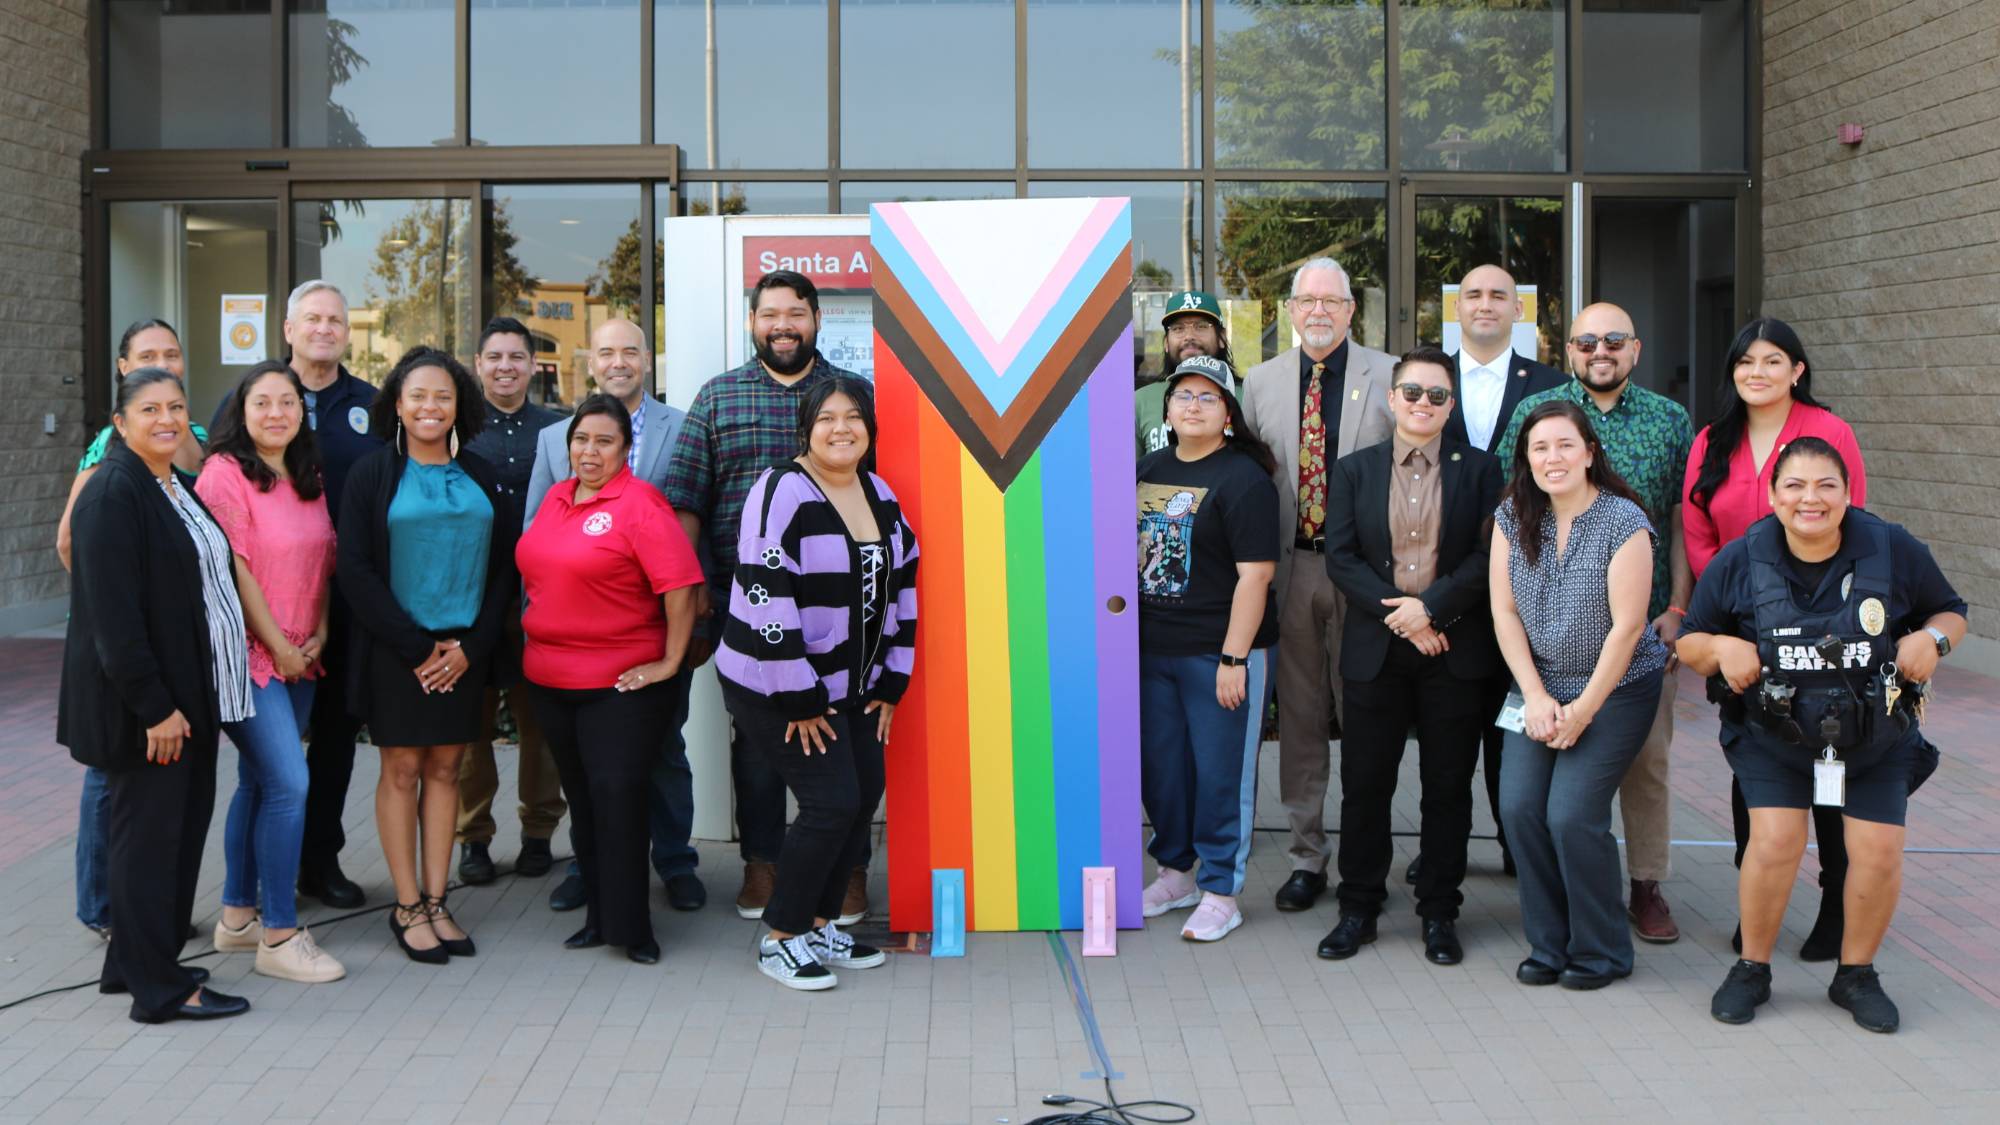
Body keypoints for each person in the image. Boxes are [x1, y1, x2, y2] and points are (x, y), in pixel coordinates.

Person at [1677, 438, 1965, 1032]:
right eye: (1795, 486)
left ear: (1848, 492)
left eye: (1825, 486)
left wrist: (1931, 641)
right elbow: (1688, 641)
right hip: (1772, 735)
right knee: (1776, 842)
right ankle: (1752, 967)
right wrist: (1721, 646)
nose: (1811, 499)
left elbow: (1950, 611)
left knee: (1878, 852)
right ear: (1774, 496)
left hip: (1876, 738)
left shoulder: (1892, 548)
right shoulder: (1741, 557)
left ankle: (1856, 973)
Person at [667, 269, 866, 923]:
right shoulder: (718, 398)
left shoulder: (848, 395)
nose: (783, 324)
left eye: (796, 313)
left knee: (846, 738)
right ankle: (763, 863)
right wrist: (696, 593)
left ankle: (848, 872)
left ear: (816, 320)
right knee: (756, 746)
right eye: (770, 313)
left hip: (841, 611)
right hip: (743, 610)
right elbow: (687, 502)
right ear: (753, 322)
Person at [59, 368, 254, 1022]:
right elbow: (115, 622)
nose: (166, 418)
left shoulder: (170, 483)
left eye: (175, 406)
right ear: (120, 421)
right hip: (146, 710)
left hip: (183, 698)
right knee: (148, 843)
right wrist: (157, 708)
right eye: (149, 408)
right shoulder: (113, 493)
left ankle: (134, 964)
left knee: (166, 837)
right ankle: (160, 990)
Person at [1496, 303, 1694, 944]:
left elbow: (1681, 522)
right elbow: (1512, 502)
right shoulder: (1541, 413)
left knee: (1645, 768)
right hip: (1547, 652)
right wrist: (1537, 695)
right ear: (1571, 349)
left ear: (1634, 349)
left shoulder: (1669, 420)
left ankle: (1645, 885)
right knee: (1541, 805)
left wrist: (1678, 609)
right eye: (1586, 341)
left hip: (1637, 638)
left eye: (1613, 340)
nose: (1599, 351)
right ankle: (1556, 925)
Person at [716, 376, 917, 990]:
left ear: (870, 429)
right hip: (773, 685)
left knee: (860, 800)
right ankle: (782, 936)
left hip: (851, 687)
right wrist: (798, 697)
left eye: (853, 416)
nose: (840, 428)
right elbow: (765, 591)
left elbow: (904, 583)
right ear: (806, 426)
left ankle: (824, 922)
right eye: (826, 416)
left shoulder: (878, 492)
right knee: (830, 803)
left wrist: (894, 678)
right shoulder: (780, 489)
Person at [1683, 318, 1869, 962]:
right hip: (1741, 625)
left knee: (1830, 762)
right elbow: (1697, 528)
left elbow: (1853, 524)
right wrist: (1735, 598)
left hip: (1826, 627)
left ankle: (1837, 904)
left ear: (1797, 370)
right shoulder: (1712, 438)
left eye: (1772, 361)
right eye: (1745, 362)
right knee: (1756, 759)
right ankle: (1756, 902)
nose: (1756, 372)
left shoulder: (1830, 433)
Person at [1319, 347, 1503, 967]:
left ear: (1451, 406)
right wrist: (1404, 615)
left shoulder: (1481, 471)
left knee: (1448, 787)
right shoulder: (1354, 471)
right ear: (1391, 399)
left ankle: (1438, 911)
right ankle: (1359, 907)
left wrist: (1434, 610)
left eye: (1437, 396)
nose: (1424, 404)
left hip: (1453, 650)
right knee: (1365, 784)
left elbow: (1486, 558)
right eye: (1413, 393)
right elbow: (1341, 557)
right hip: (1377, 650)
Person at [337, 347, 517, 964]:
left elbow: (504, 571)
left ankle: (439, 901)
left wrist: (469, 648)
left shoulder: (482, 471)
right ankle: (406, 905)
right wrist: (418, 647)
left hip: (463, 652)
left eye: (442, 396)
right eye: (417, 396)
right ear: (397, 404)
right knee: (402, 771)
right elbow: (355, 571)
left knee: (446, 771)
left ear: (459, 405)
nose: (430, 407)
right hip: (399, 652)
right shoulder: (372, 474)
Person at [210, 281, 385, 912]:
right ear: (287, 329)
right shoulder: (252, 404)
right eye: (312, 318)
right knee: (271, 769)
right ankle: (254, 892)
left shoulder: (372, 403)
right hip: (263, 622)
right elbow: (227, 540)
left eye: (335, 320)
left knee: (337, 741)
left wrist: (329, 624)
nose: (324, 328)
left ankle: (318, 863)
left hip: (335, 606)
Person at [516, 395, 705, 964]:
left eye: (603, 441)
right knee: (586, 802)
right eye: (580, 440)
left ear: (626, 449)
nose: (589, 451)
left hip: (620, 683)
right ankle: (599, 917)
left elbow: (681, 588)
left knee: (618, 797)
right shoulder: (555, 497)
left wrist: (670, 662)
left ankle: (634, 929)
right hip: (552, 680)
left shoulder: (641, 504)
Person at [1491, 400, 1670, 991]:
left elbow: (1627, 627)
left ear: (1590, 452)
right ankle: (1549, 942)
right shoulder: (1512, 518)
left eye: (1565, 444)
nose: (1553, 458)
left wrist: (1584, 710)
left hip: (1615, 689)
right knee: (1519, 808)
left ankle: (1601, 951)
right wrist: (1537, 699)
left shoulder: (1624, 521)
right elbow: (1504, 611)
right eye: (1539, 448)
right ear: (1526, 460)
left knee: (1570, 815)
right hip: (1538, 688)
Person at [1238, 257, 1395, 913]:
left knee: (1365, 714)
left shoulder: (1389, 376)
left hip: (1363, 573)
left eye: (1334, 300)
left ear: (1352, 310)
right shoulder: (1261, 382)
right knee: (1300, 718)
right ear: (1291, 310)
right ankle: (1307, 857)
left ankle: (1367, 860)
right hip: (1293, 568)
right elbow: (1251, 478)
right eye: (1309, 301)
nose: (1321, 311)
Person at [1412, 265, 1565, 885]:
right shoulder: (1426, 379)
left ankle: (1519, 849)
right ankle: (1441, 850)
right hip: (1443, 588)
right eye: (1472, 295)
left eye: (1499, 294)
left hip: (1528, 584)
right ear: (1456, 308)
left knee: (1515, 729)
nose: (1484, 304)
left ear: (1517, 310)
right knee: (1445, 740)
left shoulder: (1552, 384)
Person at [195, 362, 345, 984]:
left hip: (303, 653)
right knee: (289, 784)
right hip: (252, 657)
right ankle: (279, 933)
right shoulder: (223, 474)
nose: (278, 413)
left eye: (289, 402)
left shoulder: (307, 473)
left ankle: (236, 919)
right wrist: (276, 647)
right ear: (241, 410)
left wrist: (321, 633)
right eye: (264, 403)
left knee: (258, 786)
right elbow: (235, 570)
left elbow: (325, 559)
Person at [56, 319, 205, 943]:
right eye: (149, 360)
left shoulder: (184, 451)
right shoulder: (109, 476)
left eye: (173, 357)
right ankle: (109, 915)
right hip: (130, 676)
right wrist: (115, 589)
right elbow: (81, 552)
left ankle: (142, 938)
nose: (164, 365)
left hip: (165, 668)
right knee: (119, 802)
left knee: (150, 819)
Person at [1134, 355, 1278, 943]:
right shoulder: (1147, 467)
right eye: (1182, 396)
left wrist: (1234, 658)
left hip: (1218, 654)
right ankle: (1176, 873)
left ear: (1228, 414)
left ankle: (1222, 889)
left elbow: (1256, 577)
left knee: (1221, 775)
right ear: (1166, 409)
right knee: (1163, 772)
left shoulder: (1243, 478)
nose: (1192, 406)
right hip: (1151, 651)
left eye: (1207, 397)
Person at [457, 317, 565, 888]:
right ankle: (473, 837)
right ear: (478, 364)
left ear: (531, 365)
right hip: (469, 603)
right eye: (494, 356)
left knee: (539, 724)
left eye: (516, 357)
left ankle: (539, 832)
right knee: (470, 727)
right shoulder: (454, 429)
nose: (505, 366)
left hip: (539, 600)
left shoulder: (558, 431)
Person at [1136, 290, 1234, 457]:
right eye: (1178, 328)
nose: (1189, 336)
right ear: (1166, 342)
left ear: (1221, 338)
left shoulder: (1248, 396)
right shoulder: (1140, 400)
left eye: (1201, 326)